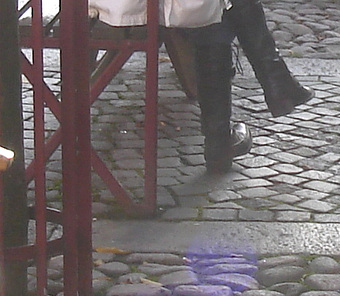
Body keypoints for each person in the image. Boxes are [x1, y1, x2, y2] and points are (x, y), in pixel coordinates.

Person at [88, 0, 313, 173]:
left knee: (218, 8)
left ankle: (276, 82)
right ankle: (222, 136)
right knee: (218, 13)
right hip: (132, 10)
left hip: (95, 8)